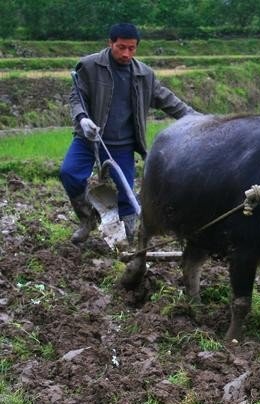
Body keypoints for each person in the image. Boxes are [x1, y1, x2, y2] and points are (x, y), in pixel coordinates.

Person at [60, 23, 197, 245]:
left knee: (127, 193)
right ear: (110, 43)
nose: (126, 53)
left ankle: (130, 236)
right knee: (70, 173)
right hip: (90, 139)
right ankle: (87, 220)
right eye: (121, 47)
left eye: (131, 49)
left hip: (123, 144)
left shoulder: (144, 74)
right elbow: (77, 98)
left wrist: (197, 119)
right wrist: (82, 119)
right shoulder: (89, 66)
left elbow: (169, 101)